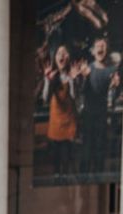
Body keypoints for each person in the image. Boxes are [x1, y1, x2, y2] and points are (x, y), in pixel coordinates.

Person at [76, 35, 121, 177]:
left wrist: (115, 87)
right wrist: (83, 78)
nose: (101, 48)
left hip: (102, 115)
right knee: (87, 146)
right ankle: (83, 176)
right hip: (88, 114)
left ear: (107, 49)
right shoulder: (87, 69)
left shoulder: (112, 70)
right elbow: (81, 92)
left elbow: (112, 98)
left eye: (103, 46)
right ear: (93, 51)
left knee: (100, 146)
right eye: (98, 46)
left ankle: (98, 174)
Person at [42, 44, 79, 178]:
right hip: (56, 121)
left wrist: (73, 81)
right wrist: (47, 80)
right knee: (56, 153)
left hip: (69, 120)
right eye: (59, 53)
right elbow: (45, 98)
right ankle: (57, 175)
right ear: (55, 58)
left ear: (69, 57)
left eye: (65, 53)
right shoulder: (52, 76)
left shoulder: (71, 76)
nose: (62, 56)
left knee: (68, 153)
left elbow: (74, 97)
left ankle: (68, 176)